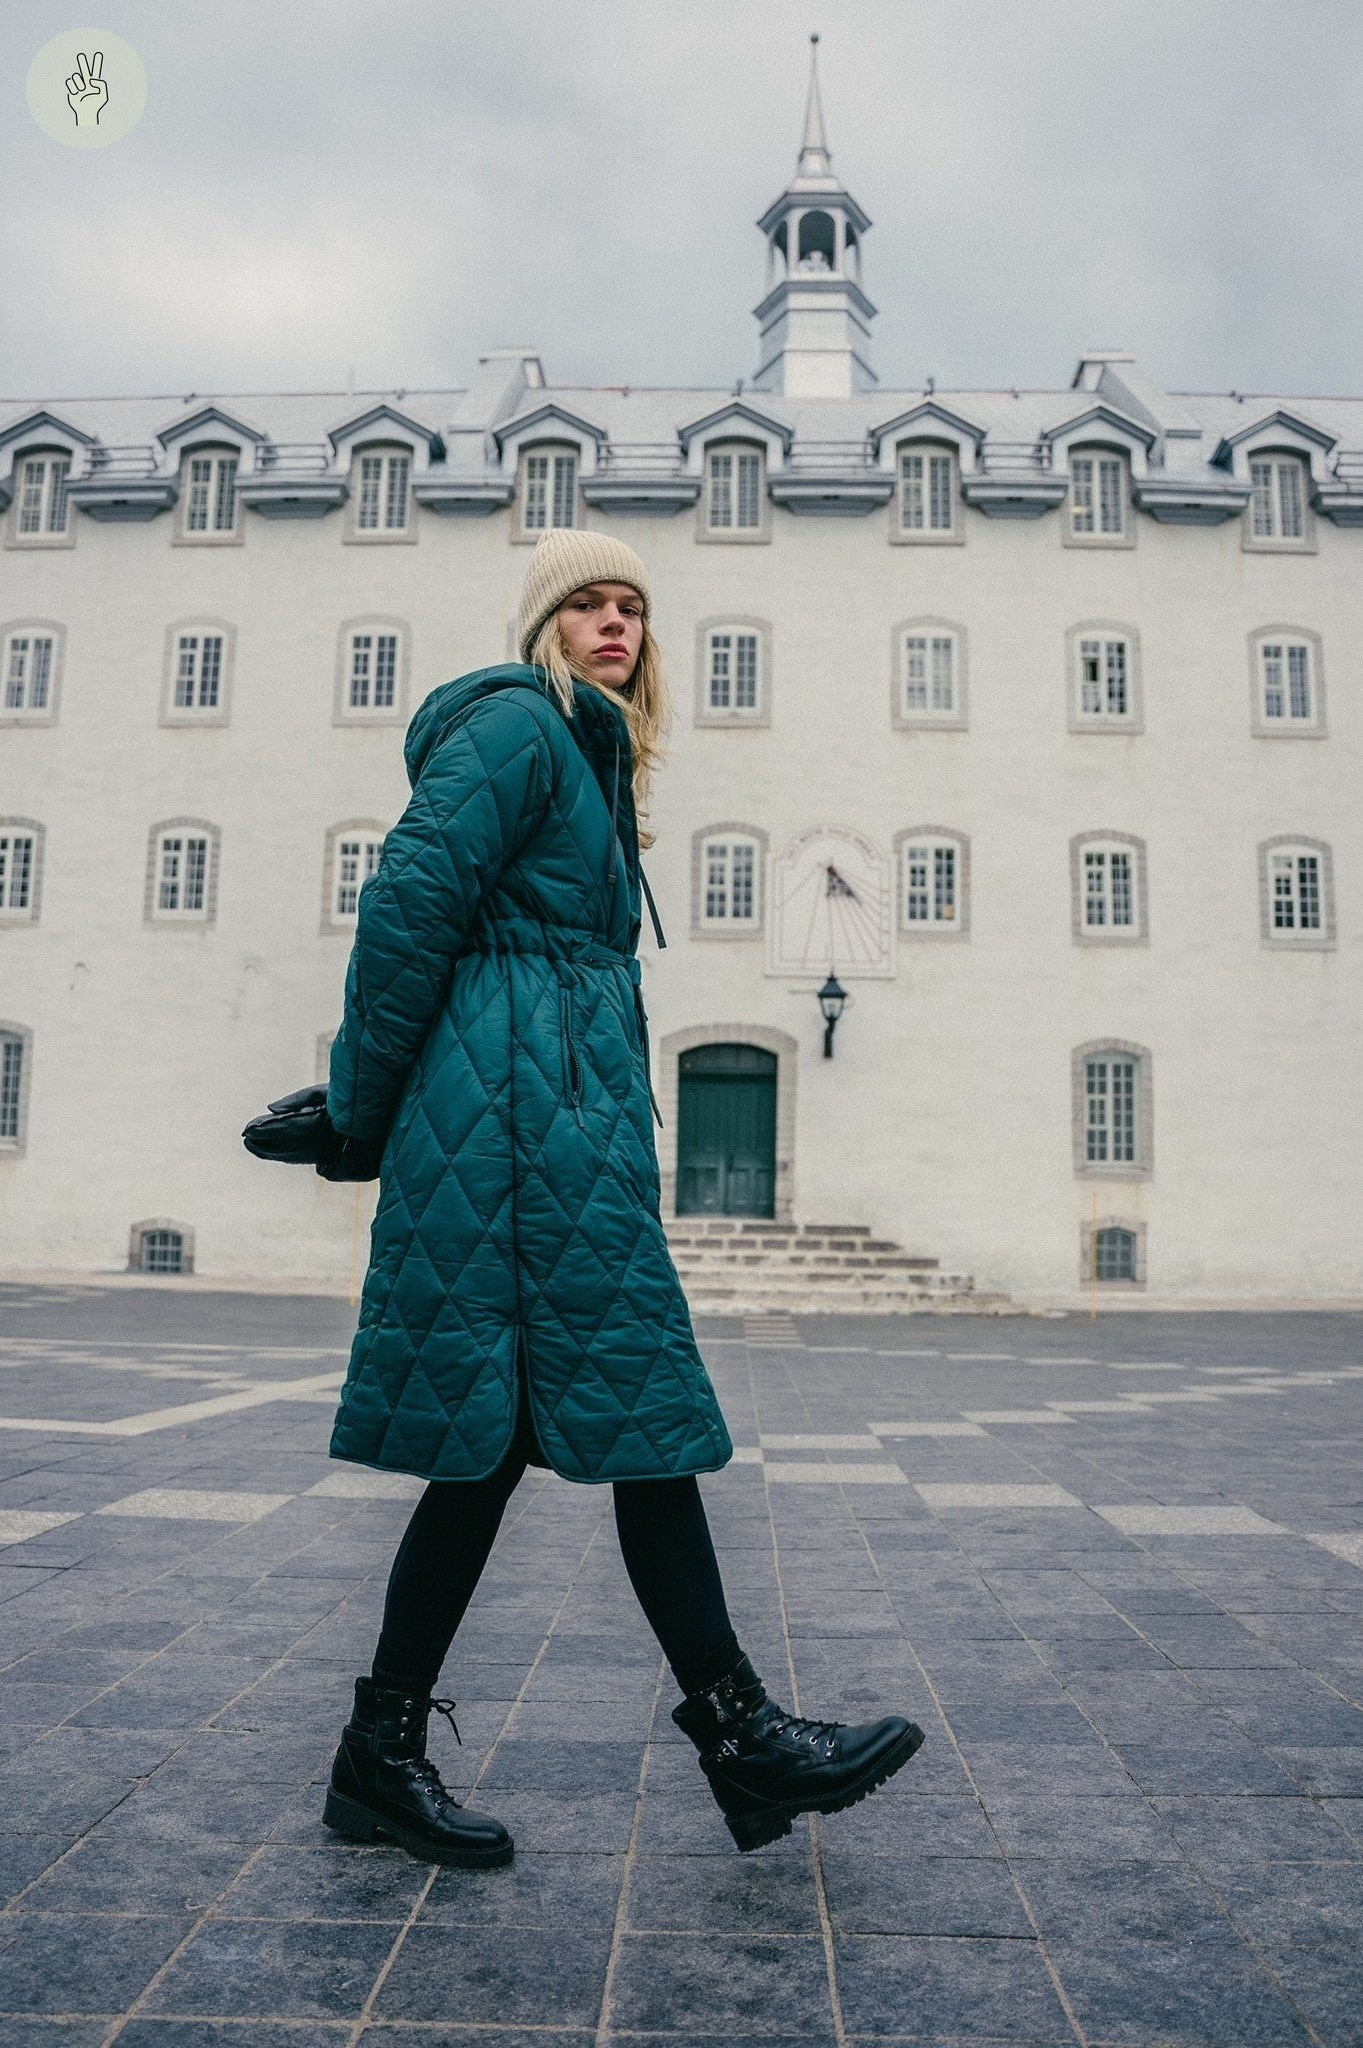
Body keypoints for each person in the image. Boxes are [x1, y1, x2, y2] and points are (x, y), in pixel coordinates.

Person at [313, 527, 924, 1863]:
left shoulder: (587, 752)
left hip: (551, 1124)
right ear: (545, 625)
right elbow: (409, 902)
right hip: (516, 1134)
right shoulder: (520, 726)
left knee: (528, 1442)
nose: (615, 623)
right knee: (618, 1423)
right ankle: (737, 1738)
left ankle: (388, 1753)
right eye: (587, 603)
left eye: (633, 605)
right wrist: (359, 1104)